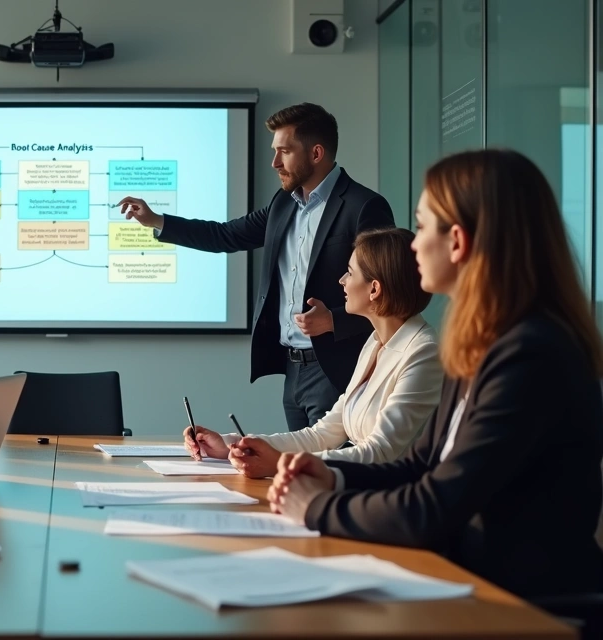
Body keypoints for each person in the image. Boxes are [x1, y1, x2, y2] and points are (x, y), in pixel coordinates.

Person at [268, 149, 603, 599]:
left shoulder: (530, 353)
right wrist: (335, 477)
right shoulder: (486, 344)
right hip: (478, 588)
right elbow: (422, 465)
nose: (413, 244)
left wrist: (317, 508)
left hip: (528, 609)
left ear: (459, 242)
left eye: (422, 226)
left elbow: (436, 506)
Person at [120, 103, 395, 432]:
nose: (274, 162)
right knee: (298, 474)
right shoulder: (283, 204)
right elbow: (225, 235)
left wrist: (332, 320)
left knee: (328, 477)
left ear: (317, 153)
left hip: (337, 369)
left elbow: (388, 292)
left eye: (284, 151)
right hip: (292, 371)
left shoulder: (364, 207)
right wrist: (156, 220)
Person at [183, 228, 442, 478]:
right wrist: (231, 443)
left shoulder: (423, 352)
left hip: (393, 506)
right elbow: (322, 434)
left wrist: (280, 464)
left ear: (374, 289)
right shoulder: (376, 342)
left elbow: (381, 452)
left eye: (350, 273)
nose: (342, 280)